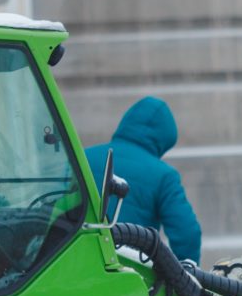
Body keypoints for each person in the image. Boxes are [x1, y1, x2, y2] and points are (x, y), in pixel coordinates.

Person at [84, 95, 202, 264]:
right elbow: (188, 234)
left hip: (77, 262)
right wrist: (185, 272)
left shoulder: (84, 157)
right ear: (164, 142)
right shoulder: (163, 175)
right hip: (130, 269)